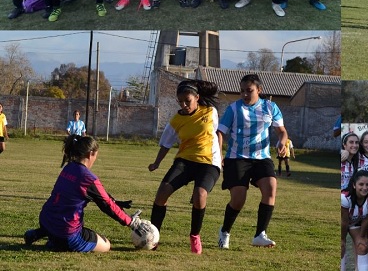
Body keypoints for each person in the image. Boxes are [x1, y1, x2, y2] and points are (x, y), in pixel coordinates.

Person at [27, 136, 141, 252]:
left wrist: (114, 202)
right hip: (66, 233)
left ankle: (38, 233)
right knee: (106, 245)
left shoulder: (68, 168)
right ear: (90, 154)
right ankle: (57, 243)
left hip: (46, 220)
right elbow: (106, 205)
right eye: (96, 155)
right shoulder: (88, 178)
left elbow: (100, 196)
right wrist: (131, 222)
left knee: (63, 217)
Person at [147, 79, 221, 254]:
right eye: (180, 101)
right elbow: (166, 143)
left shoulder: (211, 112)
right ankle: (153, 237)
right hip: (185, 162)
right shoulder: (176, 120)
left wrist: (220, 156)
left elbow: (216, 132)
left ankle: (195, 236)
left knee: (199, 195)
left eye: (187, 100)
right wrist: (157, 163)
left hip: (208, 163)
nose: (184, 104)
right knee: (162, 193)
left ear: (197, 97)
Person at [216, 74, 289, 248]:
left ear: (259, 90)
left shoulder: (270, 107)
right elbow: (220, 133)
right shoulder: (234, 109)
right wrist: (219, 155)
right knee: (239, 199)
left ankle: (259, 235)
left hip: (261, 158)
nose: (245, 94)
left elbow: (282, 131)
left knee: (271, 187)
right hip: (236, 158)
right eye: (242, 91)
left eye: (249, 90)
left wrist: (282, 143)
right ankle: (224, 231)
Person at [342, 170, 368, 271]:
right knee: (341, 246)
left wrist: (361, 237)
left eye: (367, 184)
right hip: (344, 223)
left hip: (357, 222)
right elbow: (344, 222)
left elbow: (367, 218)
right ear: (354, 185)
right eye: (361, 184)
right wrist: (342, 239)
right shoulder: (345, 198)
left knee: (362, 245)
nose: (365, 188)